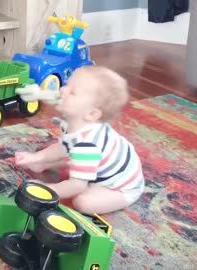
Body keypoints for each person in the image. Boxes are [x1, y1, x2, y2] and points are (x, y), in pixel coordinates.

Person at [15, 66, 144, 215]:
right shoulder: (73, 123)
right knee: (72, 159)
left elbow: (76, 186)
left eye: (73, 92)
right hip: (99, 162)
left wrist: (46, 188)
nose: (62, 90)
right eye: (66, 85)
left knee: (82, 202)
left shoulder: (87, 145)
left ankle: (103, 188)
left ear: (91, 113)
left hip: (121, 187)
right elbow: (63, 147)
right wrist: (36, 157)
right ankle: (55, 165)